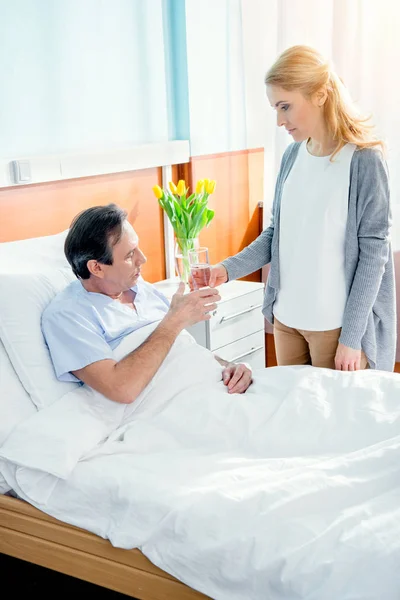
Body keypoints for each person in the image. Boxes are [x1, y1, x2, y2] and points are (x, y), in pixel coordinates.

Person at [209, 45, 396, 372]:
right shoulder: (292, 157)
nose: (280, 121)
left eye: (286, 106)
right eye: (275, 109)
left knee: (336, 421)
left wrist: (351, 338)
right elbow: (276, 235)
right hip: (287, 321)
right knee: (293, 420)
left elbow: (374, 255)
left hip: (334, 328)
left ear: (321, 95)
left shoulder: (364, 160)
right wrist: (226, 270)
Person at [41, 204, 253, 404]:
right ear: (96, 268)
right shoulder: (68, 315)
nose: (142, 259)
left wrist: (229, 367)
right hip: (167, 404)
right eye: (130, 255)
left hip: (208, 385)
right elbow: (122, 389)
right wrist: (174, 320)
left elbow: (179, 349)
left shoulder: (142, 290)